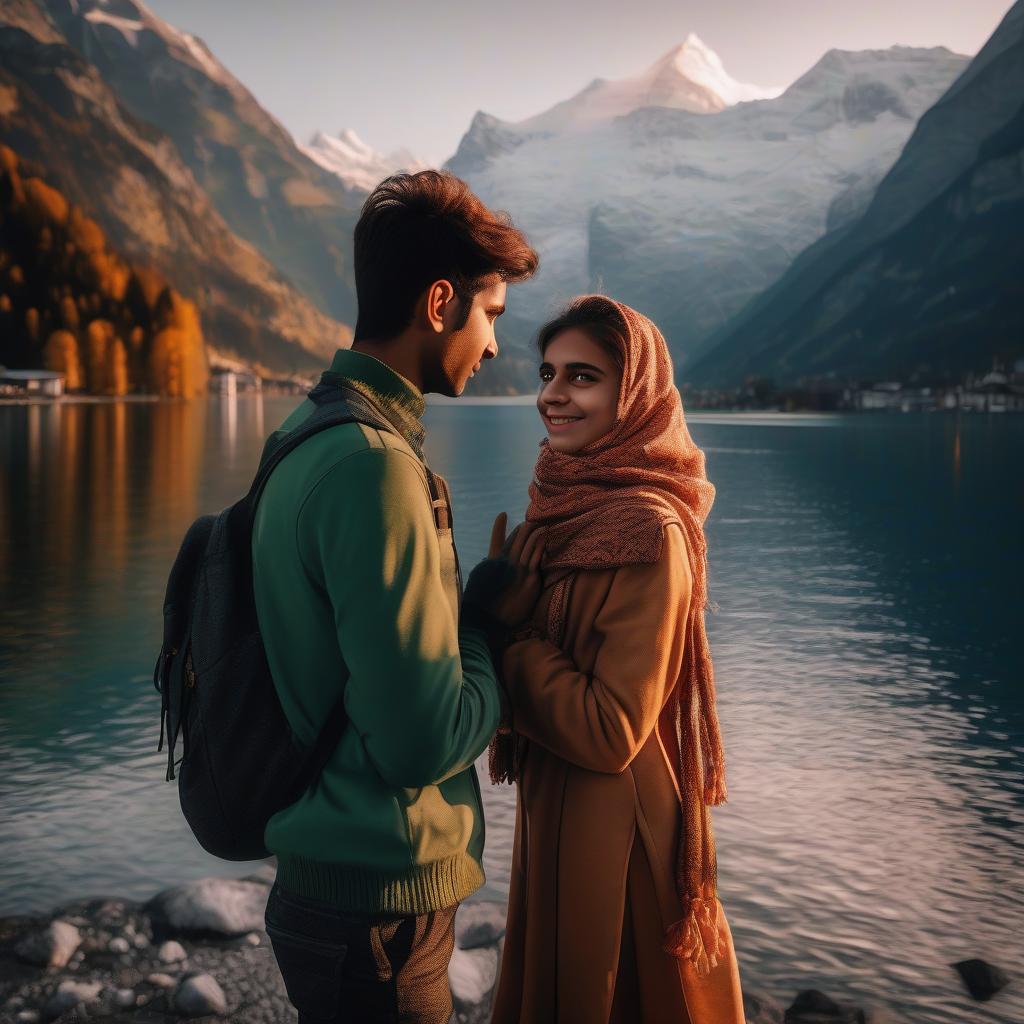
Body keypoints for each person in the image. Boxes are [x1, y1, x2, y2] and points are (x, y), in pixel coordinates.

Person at [251, 170, 538, 1024]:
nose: (493, 347)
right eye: (491, 315)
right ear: (441, 303)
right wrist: (484, 625)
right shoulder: (374, 467)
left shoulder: (306, 431)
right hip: (379, 904)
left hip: (329, 883)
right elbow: (418, 744)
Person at [487, 295, 746, 1023]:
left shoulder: (649, 530)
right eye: (547, 374)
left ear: (635, 395)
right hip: (557, 806)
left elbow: (611, 731)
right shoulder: (560, 508)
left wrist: (509, 638)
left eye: (582, 377)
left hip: (618, 827)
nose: (552, 396)